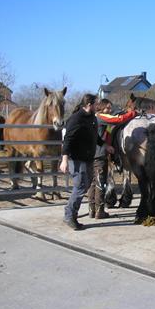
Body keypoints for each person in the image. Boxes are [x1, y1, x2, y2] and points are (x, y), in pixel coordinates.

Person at [87, 98, 138, 219]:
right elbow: (117, 119)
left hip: (92, 154)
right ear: (101, 107)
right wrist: (133, 113)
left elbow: (108, 131)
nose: (110, 110)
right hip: (98, 155)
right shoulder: (101, 116)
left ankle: (92, 210)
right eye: (108, 108)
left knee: (93, 183)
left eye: (110, 108)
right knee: (100, 183)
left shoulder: (95, 117)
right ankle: (100, 212)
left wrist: (108, 146)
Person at [60, 93, 104, 230]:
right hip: (77, 158)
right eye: (96, 104)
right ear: (89, 105)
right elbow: (68, 140)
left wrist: (104, 145)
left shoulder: (91, 118)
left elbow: (94, 135)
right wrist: (64, 160)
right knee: (80, 186)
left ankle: (69, 212)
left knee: (85, 184)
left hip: (88, 158)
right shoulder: (76, 119)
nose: (98, 106)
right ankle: (70, 216)